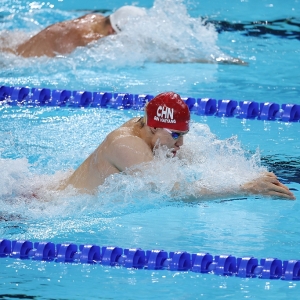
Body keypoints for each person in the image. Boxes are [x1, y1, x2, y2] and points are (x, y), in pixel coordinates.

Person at [60, 91, 295, 200]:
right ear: (153, 127)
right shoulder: (126, 145)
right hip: (57, 208)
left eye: (183, 135)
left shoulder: (146, 129)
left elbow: (202, 161)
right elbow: (177, 194)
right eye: (175, 135)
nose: (180, 143)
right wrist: (246, 188)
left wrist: (251, 173)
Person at [14, 6, 146, 57]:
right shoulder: (87, 37)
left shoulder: (97, 18)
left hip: (22, 42)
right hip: (21, 59)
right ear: (112, 30)